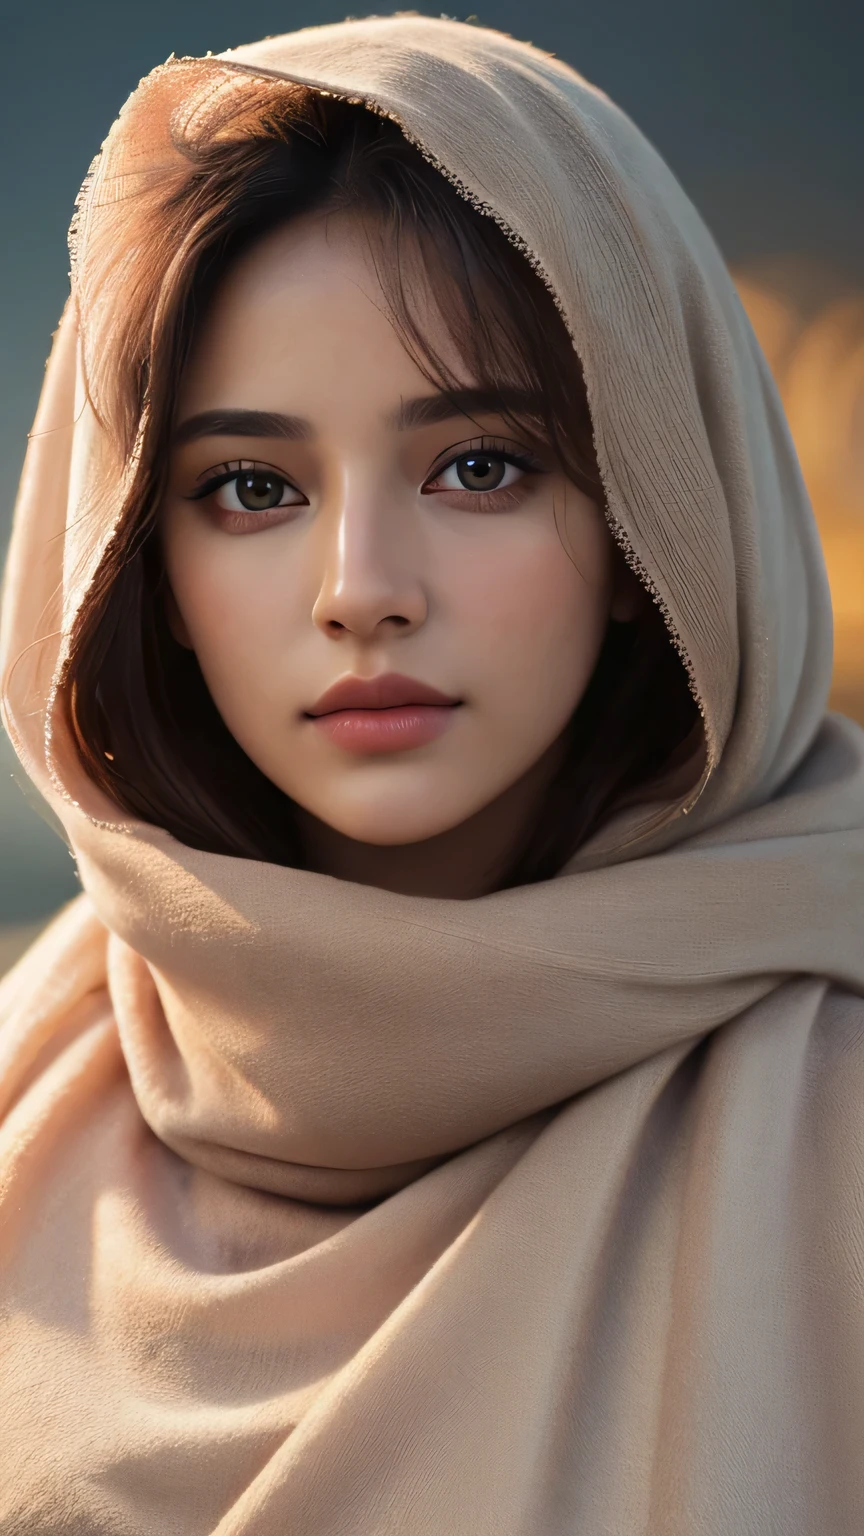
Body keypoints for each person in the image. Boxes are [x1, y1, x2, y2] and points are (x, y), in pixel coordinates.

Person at [0, 15, 861, 1534]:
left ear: (648, 525)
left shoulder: (834, 1113)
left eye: (481, 465)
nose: (364, 589)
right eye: (250, 487)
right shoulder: (36, 1071)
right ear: (145, 562)